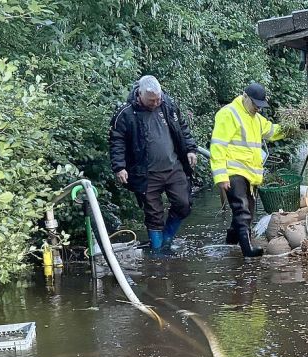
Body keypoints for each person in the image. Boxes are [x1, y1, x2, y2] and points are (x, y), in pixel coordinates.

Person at [109, 75, 198, 251]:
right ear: (140, 95)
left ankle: (167, 239)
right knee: (153, 214)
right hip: (145, 173)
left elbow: (182, 128)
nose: (156, 102)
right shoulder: (125, 113)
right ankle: (158, 253)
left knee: (184, 204)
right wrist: (119, 167)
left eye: (158, 99)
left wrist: (190, 149)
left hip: (173, 167)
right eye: (152, 100)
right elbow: (116, 141)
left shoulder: (167, 104)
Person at [210, 82, 285, 257]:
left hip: (250, 175)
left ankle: (230, 244)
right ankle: (247, 251)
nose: (258, 109)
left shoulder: (257, 119)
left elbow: (272, 131)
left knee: (247, 212)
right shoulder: (228, 114)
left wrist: (294, 128)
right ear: (245, 97)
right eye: (256, 104)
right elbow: (218, 146)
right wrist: (220, 175)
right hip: (233, 172)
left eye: (261, 106)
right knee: (242, 210)